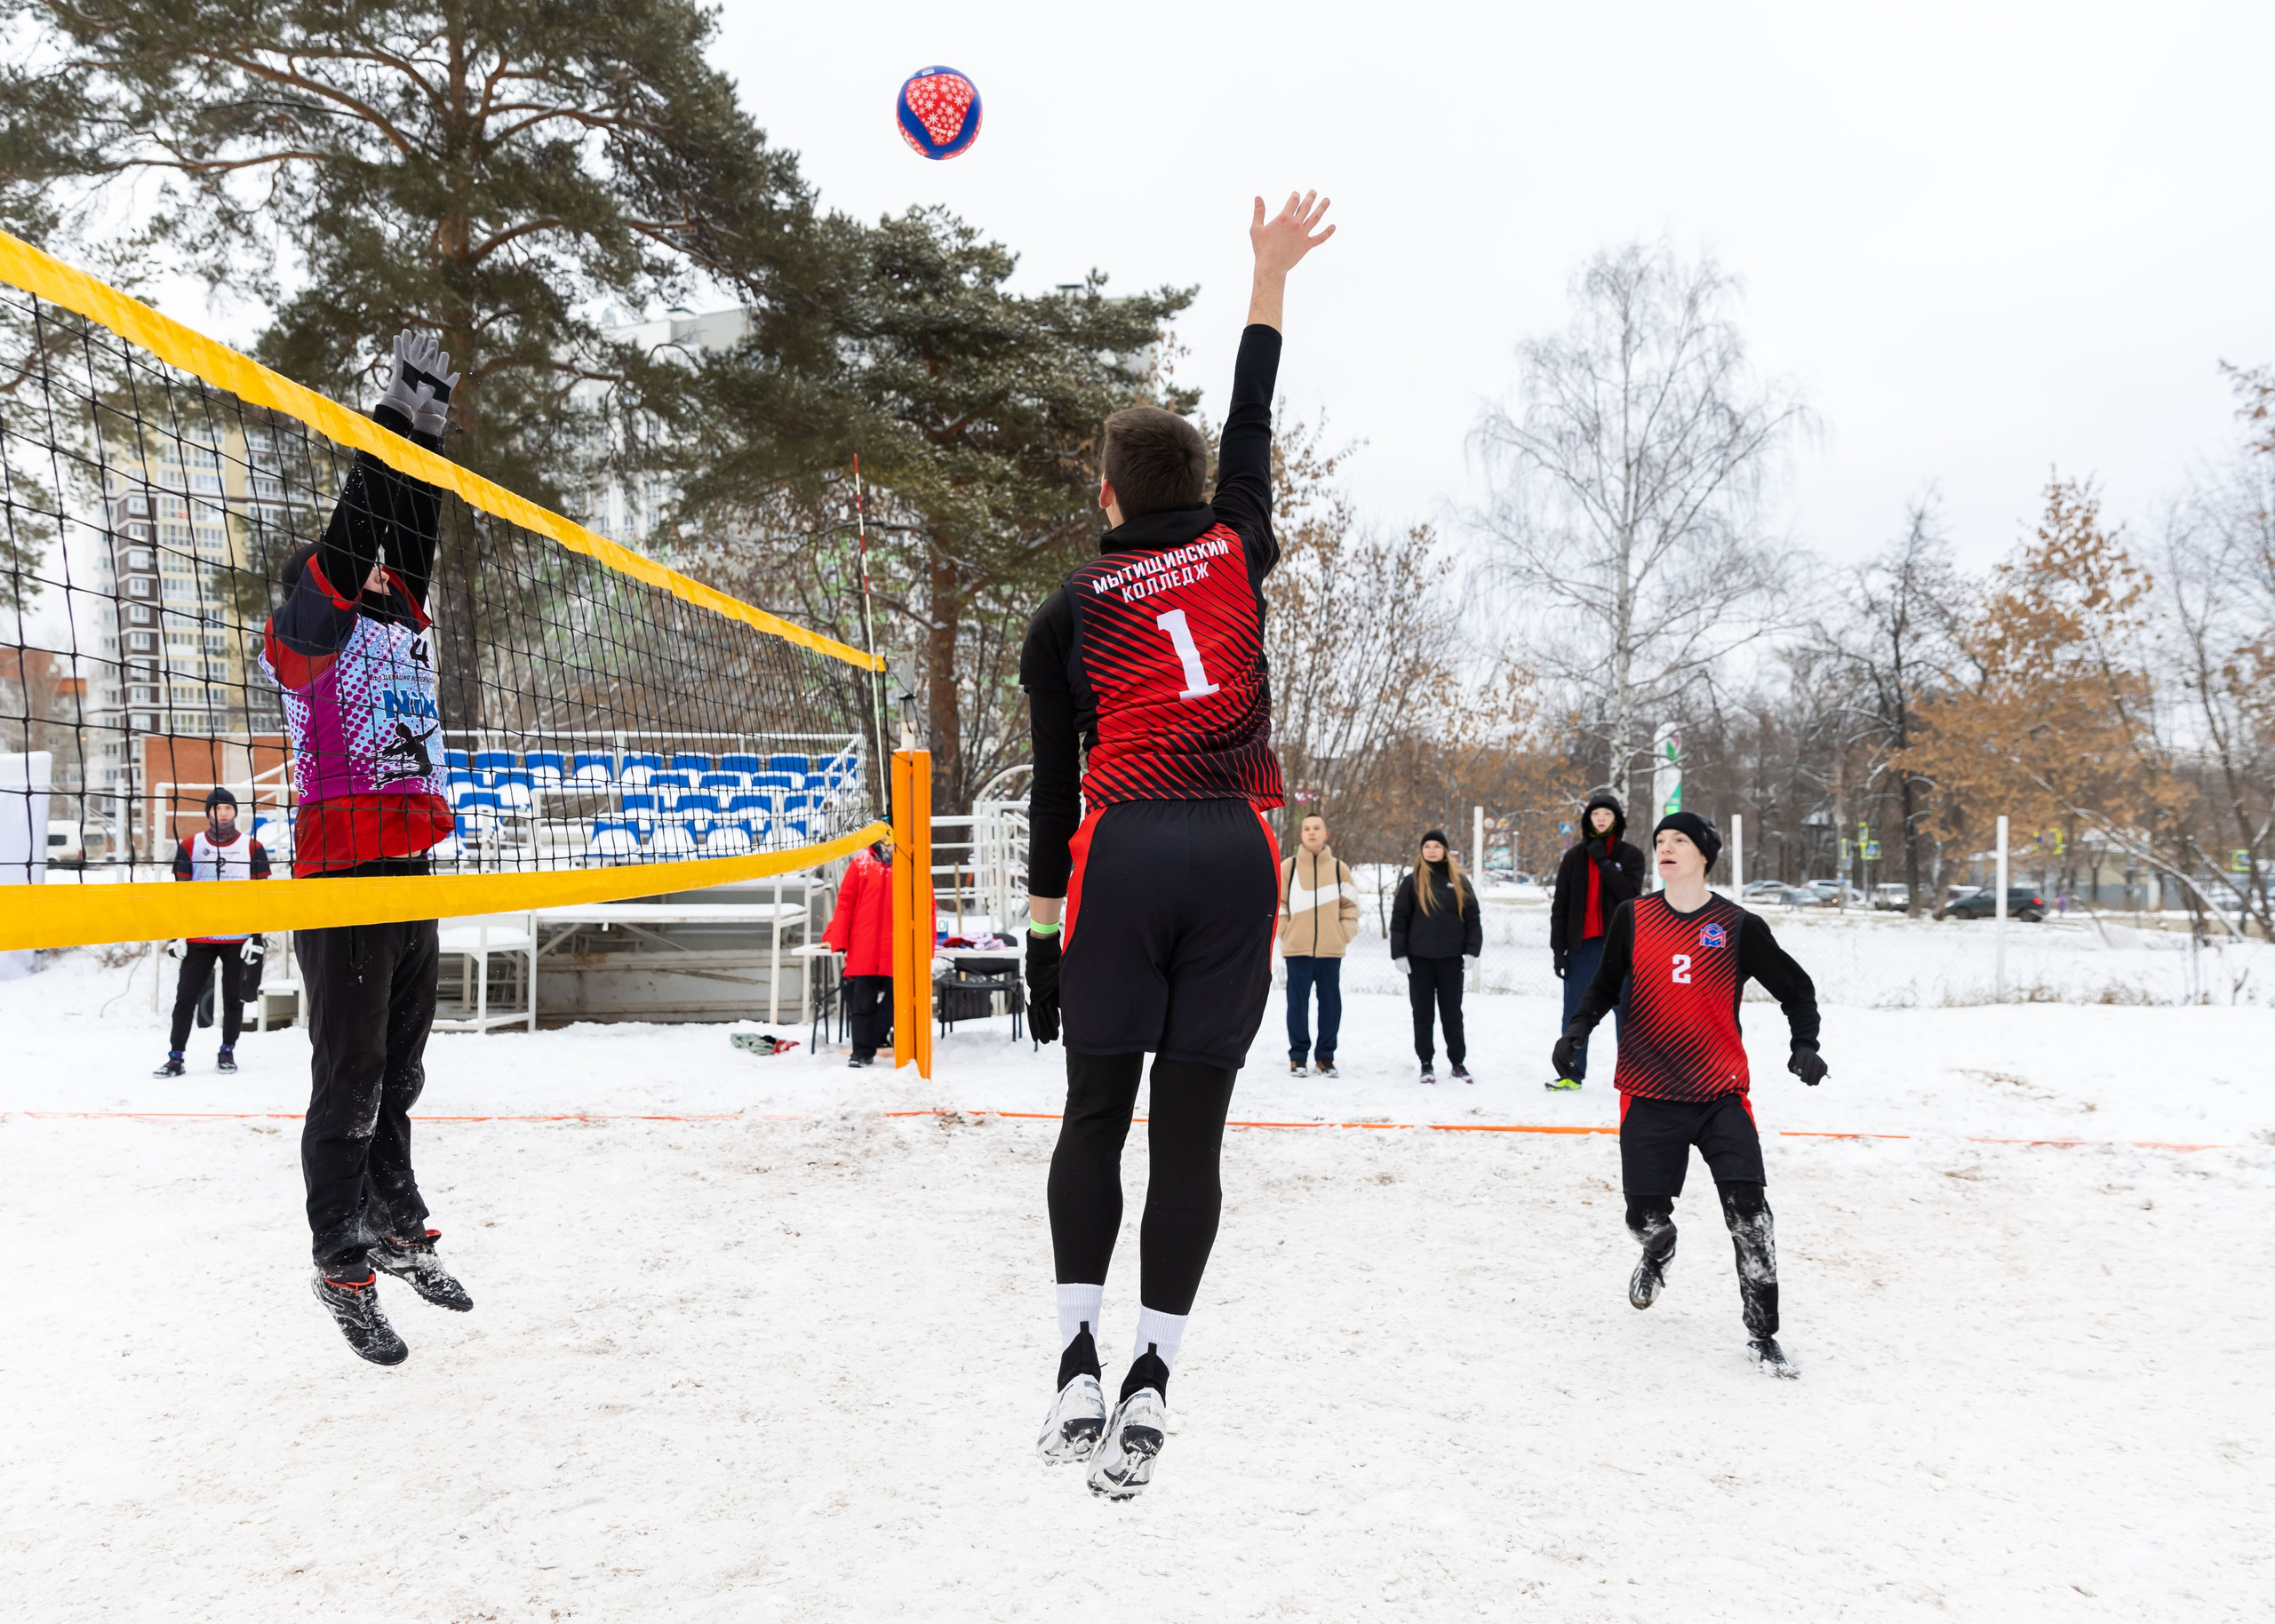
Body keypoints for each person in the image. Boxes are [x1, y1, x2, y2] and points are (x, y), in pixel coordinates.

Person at [1019, 190, 1334, 1500]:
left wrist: (1043, 944)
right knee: (1190, 1132)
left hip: (1127, 851)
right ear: (1205, 492)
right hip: (1236, 852)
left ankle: (1078, 1357)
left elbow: (1049, 798)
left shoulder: (1068, 611)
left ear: (1102, 494)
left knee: (1099, 1111)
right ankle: (1156, 1372)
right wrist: (1267, 277)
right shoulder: (1236, 546)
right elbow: (1254, 418)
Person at [260, 330, 469, 1366]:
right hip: (338, 871)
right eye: (361, 575)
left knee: (401, 1063)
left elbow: (406, 530)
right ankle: (337, 1253)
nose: (385, 580)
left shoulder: (395, 621)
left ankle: (392, 1217)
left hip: (408, 861)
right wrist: (387, 422)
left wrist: (430, 432)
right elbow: (358, 532)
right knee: (349, 1070)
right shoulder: (306, 630)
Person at [1553, 811, 1827, 1379]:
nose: (1666, 847)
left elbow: (1796, 988)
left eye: (1679, 840)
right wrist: (1578, 1028)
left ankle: (1762, 1334)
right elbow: (1603, 986)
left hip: (1719, 1093)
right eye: (1660, 840)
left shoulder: (1737, 926)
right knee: (1644, 1218)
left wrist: (1805, 1043)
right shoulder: (1635, 916)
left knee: (1752, 1216)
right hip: (1648, 1091)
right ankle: (1658, 1252)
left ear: (1704, 854)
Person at [153, 786, 272, 1078]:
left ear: (235, 812)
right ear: (209, 813)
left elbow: (262, 896)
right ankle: (175, 1057)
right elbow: (179, 896)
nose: (223, 813)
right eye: (217, 809)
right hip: (198, 935)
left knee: (233, 998)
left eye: (228, 808)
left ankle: (227, 1052)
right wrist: (176, 934)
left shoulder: (252, 847)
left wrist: (256, 935)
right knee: (185, 998)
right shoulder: (191, 845)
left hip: (237, 936)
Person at [1546, 792, 1644, 1090]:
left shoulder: (1631, 856)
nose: (1601, 819)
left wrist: (1603, 861)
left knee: (1627, 1013)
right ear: (1588, 819)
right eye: (1596, 814)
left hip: (1621, 949)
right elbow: (1560, 906)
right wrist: (1558, 951)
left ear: (1617, 820)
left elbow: (1630, 895)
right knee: (1576, 1012)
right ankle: (1571, 1073)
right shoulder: (1574, 858)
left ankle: (1632, 1077)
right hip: (1581, 949)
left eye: (1608, 815)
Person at [1389, 829, 1481, 1084]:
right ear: (1421, 850)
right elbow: (1399, 920)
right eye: (1427, 845)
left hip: (1451, 960)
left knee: (1452, 1013)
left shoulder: (1459, 882)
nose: (1431, 850)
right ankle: (1426, 1063)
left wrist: (1473, 950)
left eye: (1436, 846)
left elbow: (1473, 919)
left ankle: (1458, 1063)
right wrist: (1399, 953)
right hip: (1419, 960)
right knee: (1423, 1012)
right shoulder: (1412, 881)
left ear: (1444, 850)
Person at [1278, 812, 1358, 1077]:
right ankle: (1298, 1057)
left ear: (1326, 834)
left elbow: (1351, 908)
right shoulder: (1288, 867)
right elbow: (1278, 904)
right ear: (1301, 835)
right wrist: (1286, 932)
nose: (1312, 832)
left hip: (1330, 950)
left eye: (1317, 828)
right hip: (1297, 949)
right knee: (1297, 1005)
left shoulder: (1338, 868)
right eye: (1307, 828)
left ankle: (1325, 1057)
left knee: (1330, 1004)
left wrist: (1342, 934)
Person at [823, 839, 894, 1067]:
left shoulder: (911, 864)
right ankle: (862, 1052)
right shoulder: (860, 863)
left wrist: (927, 944)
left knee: (898, 998)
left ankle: (872, 1039)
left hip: (896, 948)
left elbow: (926, 907)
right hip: (864, 946)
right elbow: (845, 903)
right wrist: (840, 939)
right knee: (862, 1000)